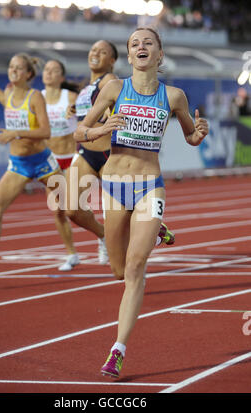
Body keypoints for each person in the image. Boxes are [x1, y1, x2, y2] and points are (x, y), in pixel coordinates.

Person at [74, 27, 209, 378]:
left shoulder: (174, 96)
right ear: (130, 56)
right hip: (116, 186)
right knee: (118, 270)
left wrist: (199, 132)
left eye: (148, 42)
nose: (141, 46)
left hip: (151, 185)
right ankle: (156, 228)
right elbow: (79, 132)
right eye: (135, 43)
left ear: (159, 54)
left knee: (135, 268)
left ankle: (117, 350)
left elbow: (190, 136)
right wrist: (101, 130)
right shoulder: (115, 88)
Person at [0, 53, 78, 278]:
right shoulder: (8, 93)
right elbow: (1, 98)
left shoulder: (35, 97)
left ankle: (102, 236)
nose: (12, 71)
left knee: (71, 210)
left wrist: (16, 132)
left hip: (43, 161)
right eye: (10, 67)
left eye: (17, 68)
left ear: (28, 74)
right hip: (19, 164)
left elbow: (46, 132)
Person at [66, 39, 175, 266]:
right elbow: (90, 117)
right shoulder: (90, 84)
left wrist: (105, 121)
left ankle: (151, 228)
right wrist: (77, 112)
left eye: (102, 51)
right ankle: (105, 236)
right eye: (93, 49)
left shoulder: (110, 81)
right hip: (86, 151)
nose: (95, 53)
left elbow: (115, 109)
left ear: (113, 60)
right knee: (72, 209)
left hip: (109, 153)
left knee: (122, 214)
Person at [41, 59, 80, 271]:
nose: (49, 73)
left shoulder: (70, 97)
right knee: (58, 210)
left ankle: (102, 237)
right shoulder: (38, 98)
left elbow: (88, 117)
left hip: (72, 158)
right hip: (50, 160)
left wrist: (77, 113)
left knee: (75, 209)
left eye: (54, 70)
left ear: (61, 77)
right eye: (46, 70)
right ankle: (72, 254)